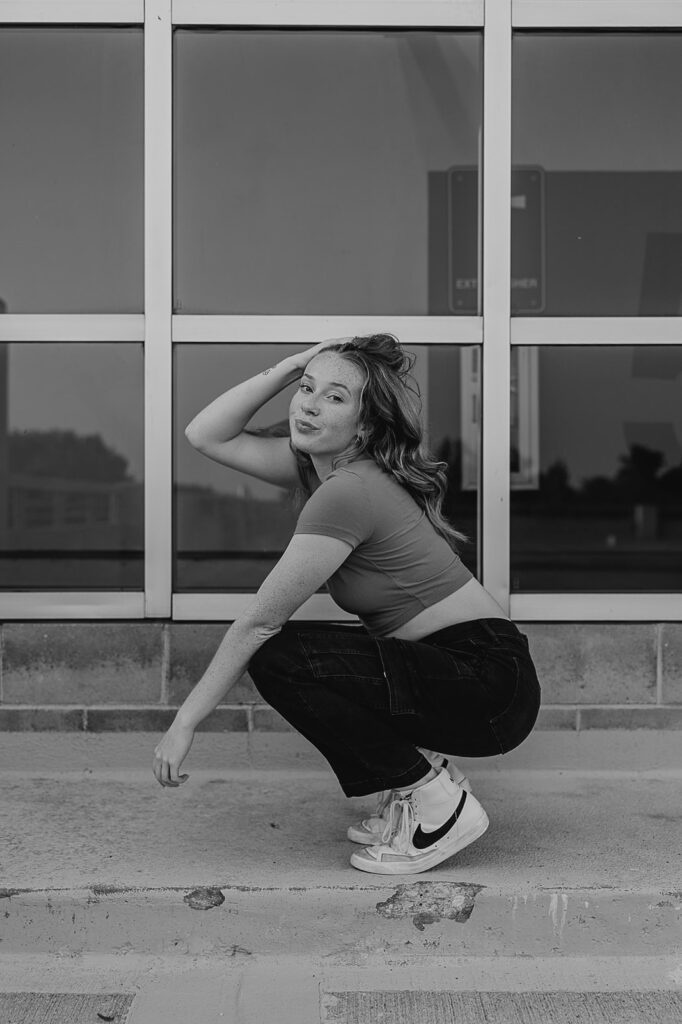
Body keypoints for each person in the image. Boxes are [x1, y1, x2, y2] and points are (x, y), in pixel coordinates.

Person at [153, 334, 541, 875]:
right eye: (307, 389)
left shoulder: (349, 489)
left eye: (335, 397)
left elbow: (261, 622)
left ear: (365, 425)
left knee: (280, 656)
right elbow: (205, 434)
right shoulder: (322, 469)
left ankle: (436, 803)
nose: (309, 404)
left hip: (484, 681)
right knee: (307, 655)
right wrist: (293, 364)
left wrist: (185, 722)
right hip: (462, 670)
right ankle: (417, 786)